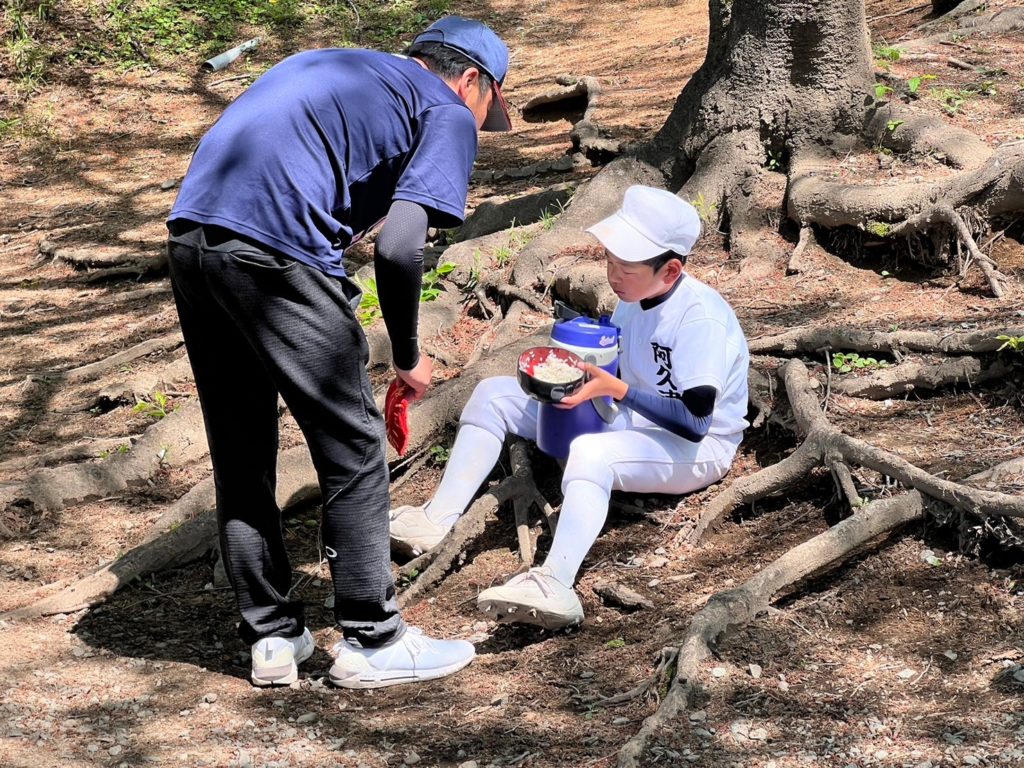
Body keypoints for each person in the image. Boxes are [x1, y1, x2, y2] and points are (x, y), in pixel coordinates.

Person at [165, 16, 512, 687]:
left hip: (192, 241)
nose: (479, 126)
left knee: (240, 444)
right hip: (276, 252)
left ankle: (272, 637)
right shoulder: (446, 109)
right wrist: (407, 353)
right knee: (353, 443)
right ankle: (372, 639)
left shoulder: (331, 67)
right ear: (472, 80)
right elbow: (401, 246)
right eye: (487, 109)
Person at [390, 185, 749, 630]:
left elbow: (696, 422)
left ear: (671, 270)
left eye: (625, 267)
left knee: (590, 454)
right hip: (631, 418)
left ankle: (555, 582)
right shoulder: (634, 299)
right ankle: (436, 520)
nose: (613, 276)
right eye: (609, 262)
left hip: (695, 448)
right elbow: (619, 372)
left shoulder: (699, 319)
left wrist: (617, 390)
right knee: (493, 394)